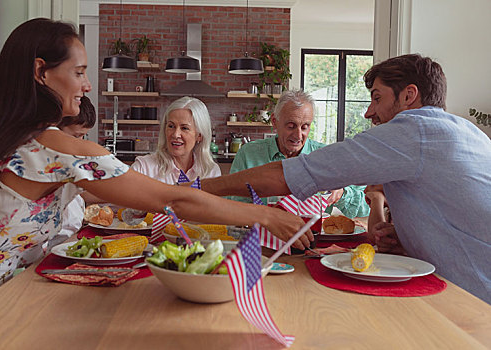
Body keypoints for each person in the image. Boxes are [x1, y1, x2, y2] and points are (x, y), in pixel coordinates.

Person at [0, 18, 308, 308]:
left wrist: (236, 185)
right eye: (80, 72)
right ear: (41, 71)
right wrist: (265, 214)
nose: (87, 85)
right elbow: (171, 201)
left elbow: (133, 195)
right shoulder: (56, 147)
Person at [198, 54, 491, 303]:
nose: (368, 112)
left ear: (409, 95)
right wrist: (409, 238)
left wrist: (193, 189)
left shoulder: (413, 131)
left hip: (473, 300)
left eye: (377, 98)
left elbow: (288, 176)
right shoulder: (467, 132)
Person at [228, 89, 370, 219]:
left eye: (305, 127)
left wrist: (342, 192)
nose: (298, 135)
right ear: (274, 122)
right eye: (291, 126)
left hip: (313, 241)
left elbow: (364, 208)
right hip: (262, 239)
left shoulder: (326, 157)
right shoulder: (248, 154)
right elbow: (233, 205)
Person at [131, 96, 221, 184]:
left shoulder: (211, 171)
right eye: (171, 126)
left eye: (184, 128)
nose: (175, 134)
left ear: (199, 135)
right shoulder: (143, 168)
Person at [46, 96, 96, 250]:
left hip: (70, 239)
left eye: (83, 136)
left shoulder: (70, 160)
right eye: (76, 136)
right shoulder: (50, 165)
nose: (80, 142)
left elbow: (85, 192)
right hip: (53, 246)